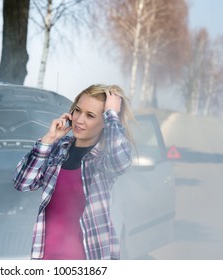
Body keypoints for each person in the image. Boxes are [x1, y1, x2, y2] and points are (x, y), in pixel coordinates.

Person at [13, 84, 135, 260]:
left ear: (104, 123)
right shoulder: (57, 150)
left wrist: (111, 114)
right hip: (46, 257)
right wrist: (48, 140)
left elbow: (121, 160)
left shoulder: (103, 159)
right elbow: (22, 183)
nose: (79, 120)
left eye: (90, 116)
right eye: (77, 110)